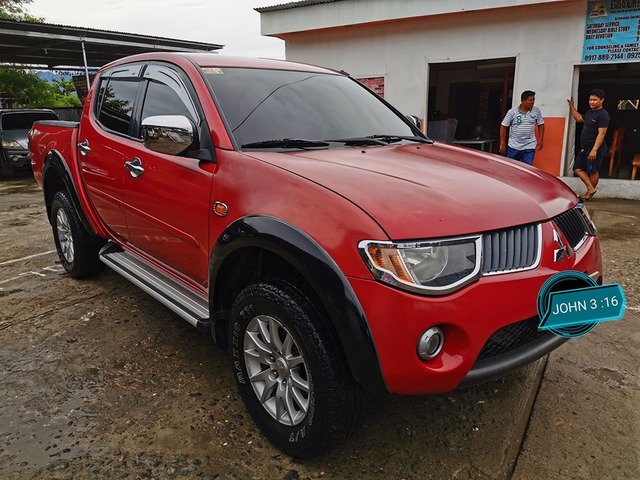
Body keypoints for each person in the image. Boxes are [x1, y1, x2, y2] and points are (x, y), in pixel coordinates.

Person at [567, 89, 610, 200]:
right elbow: (579, 118)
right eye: (590, 100)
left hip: (594, 147)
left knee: (592, 170)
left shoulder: (603, 115)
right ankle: (591, 189)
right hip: (585, 147)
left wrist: (594, 150)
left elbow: (602, 133)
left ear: (602, 100)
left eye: (595, 100)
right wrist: (571, 106)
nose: (591, 102)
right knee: (577, 169)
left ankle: (589, 192)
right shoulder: (590, 112)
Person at [499, 90, 545, 165]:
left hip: (529, 146)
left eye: (533, 100)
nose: (533, 102)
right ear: (523, 101)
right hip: (514, 146)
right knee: (512, 167)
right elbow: (503, 126)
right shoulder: (512, 112)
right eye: (530, 100)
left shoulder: (536, 111)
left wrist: (540, 140)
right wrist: (502, 143)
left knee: (527, 168)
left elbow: (541, 124)